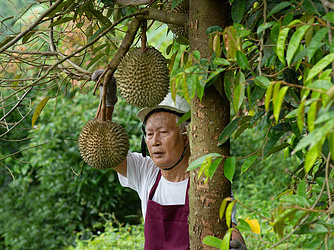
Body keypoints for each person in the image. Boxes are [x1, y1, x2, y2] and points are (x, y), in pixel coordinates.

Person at [92, 70, 247, 250]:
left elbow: (229, 228)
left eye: (163, 132)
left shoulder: (208, 179)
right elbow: (103, 150)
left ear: (186, 136)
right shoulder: (145, 170)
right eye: (149, 134)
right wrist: (107, 102)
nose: (155, 141)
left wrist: (237, 244)